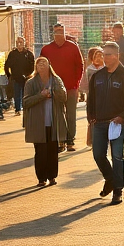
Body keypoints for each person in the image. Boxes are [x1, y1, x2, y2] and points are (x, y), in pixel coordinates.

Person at [87, 42, 124, 205]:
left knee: (117, 155)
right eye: (103, 54)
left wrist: (123, 116)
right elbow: (91, 99)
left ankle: (118, 189)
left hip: (117, 123)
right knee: (98, 154)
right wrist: (91, 117)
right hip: (99, 122)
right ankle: (110, 178)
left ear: (116, 56)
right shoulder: (98, 76)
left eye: (108, 54)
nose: (105, 58)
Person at [23, 57, 68, 188]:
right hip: (38, 123)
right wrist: (41, 96)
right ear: (36, 67)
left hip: (54, 121)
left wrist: (52, 92)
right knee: (40, 151)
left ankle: (52, 176)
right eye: (39, 64)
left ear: (49, 65)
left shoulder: (56, 80)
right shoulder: (31, 83)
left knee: (53, 151)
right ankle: (41, 178)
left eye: (44, 63)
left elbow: (64, 96)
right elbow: (25, 102)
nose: (41, 66)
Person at [40, 24, 84, 152]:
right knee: (57, 114)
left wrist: (76, 84)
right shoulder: (47, 49)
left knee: (71, 114)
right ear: (52, 33)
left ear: (64, 32)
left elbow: (80, 66)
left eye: (61, 31)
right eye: (56, 31)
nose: (58, 33)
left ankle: (70, 140)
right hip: (54, 88)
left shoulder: (73, 47)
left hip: (70, 87)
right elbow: (41, 66)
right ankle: (60, 140)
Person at [80, 46, 106, 145]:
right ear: (92, 58)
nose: (98, 58)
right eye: (96, 56)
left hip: (104, 98)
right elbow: (85, 84)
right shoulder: (89, 70)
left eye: (101, 56)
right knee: (92, 118)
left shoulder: (106, 69)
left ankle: (103, 139)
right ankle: (92, 140)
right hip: (92, 98)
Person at [5, 37, 35, 116]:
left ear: (24, 43)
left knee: (26, 94)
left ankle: (26, 108)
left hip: (26, 78)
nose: (19, 44)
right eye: (18, 42)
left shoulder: (28, 54)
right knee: (17, 94)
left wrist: (29, 75)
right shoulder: (12, 54)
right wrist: (9, 75)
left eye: (21, 42)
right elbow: (7, 65)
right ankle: (17, 109)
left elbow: (33, 66)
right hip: (16, 77)